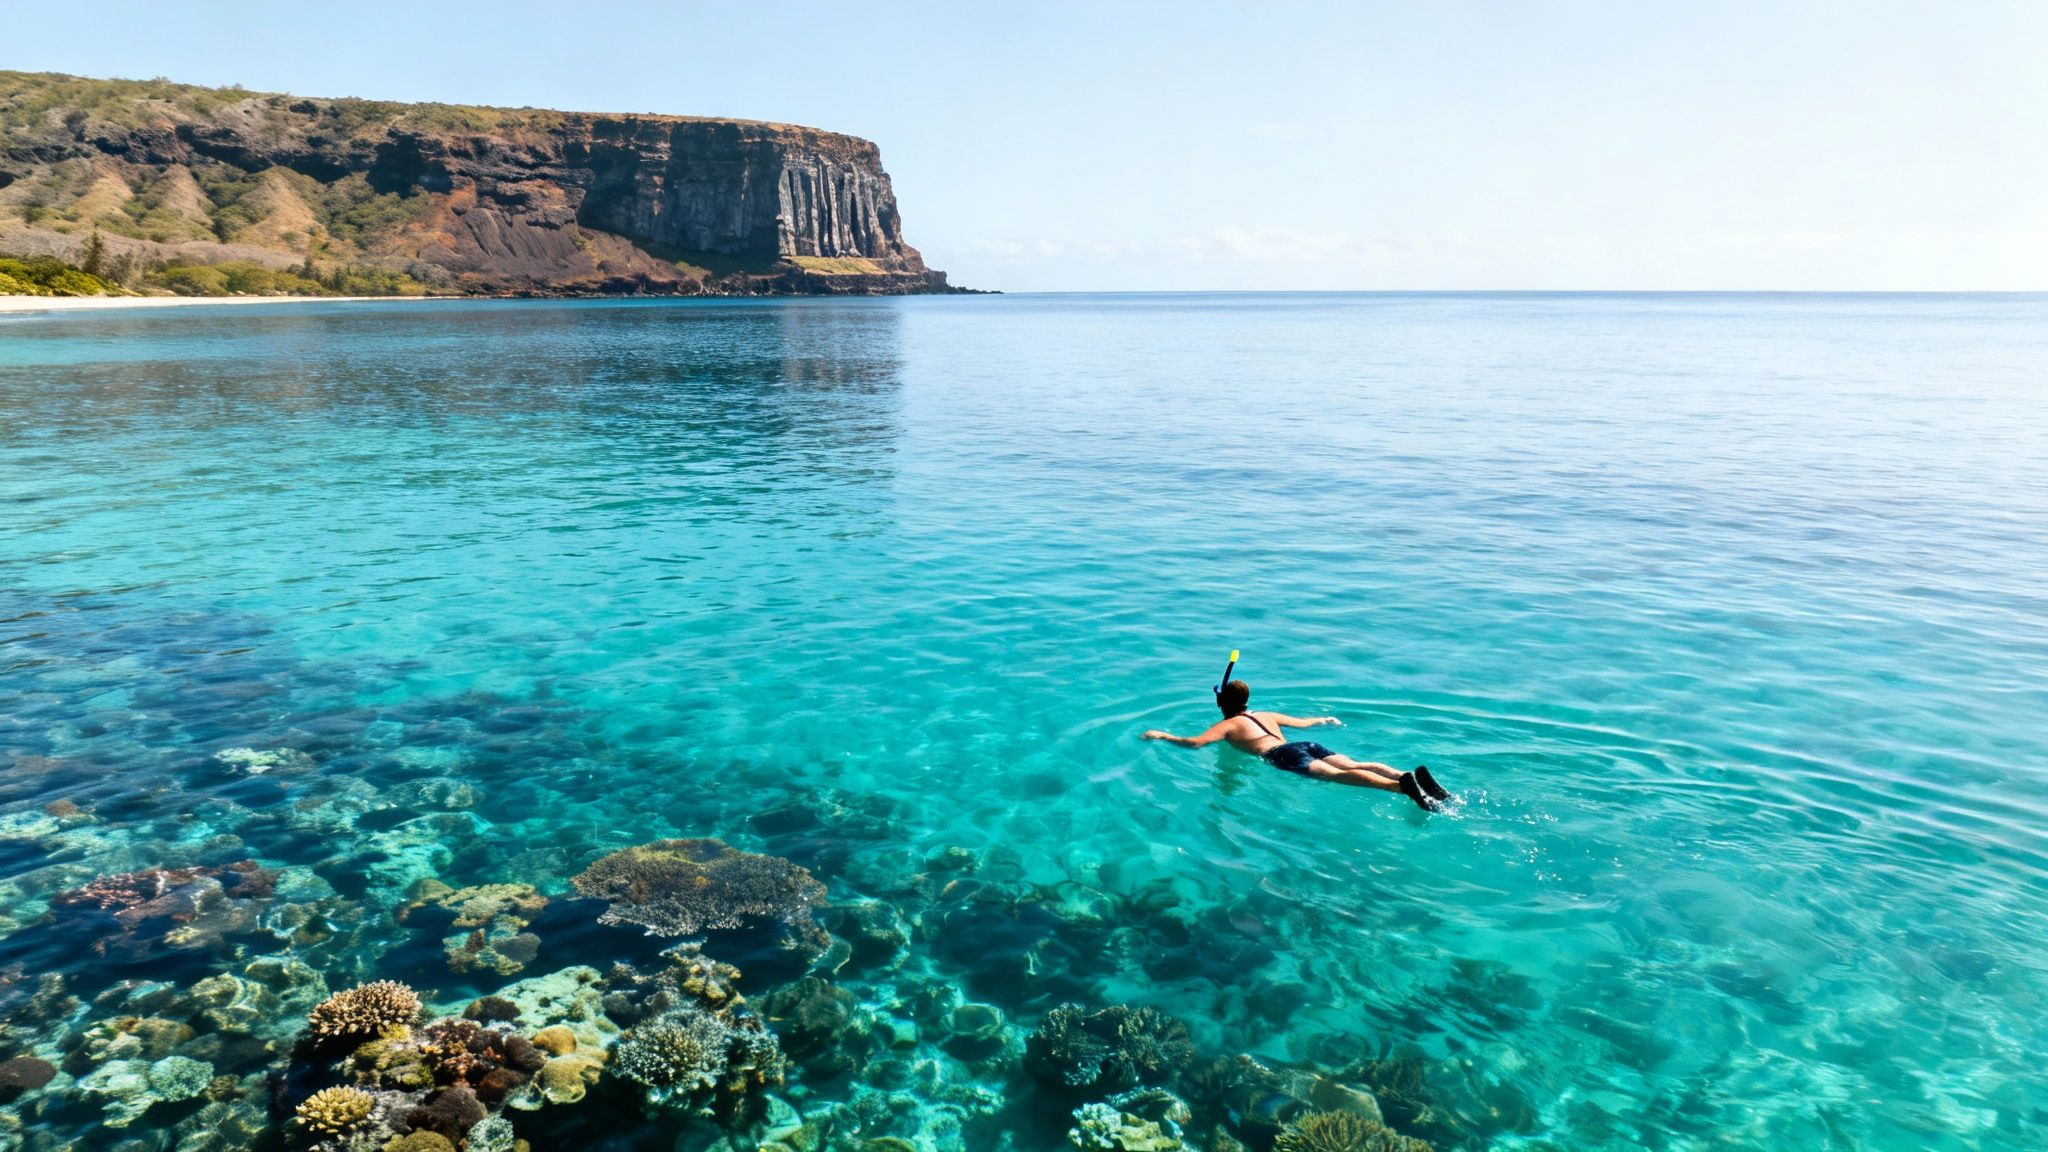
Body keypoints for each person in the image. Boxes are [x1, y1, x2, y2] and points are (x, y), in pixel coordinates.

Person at [1143, 679, 1451, 810]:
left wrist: (1163, 736)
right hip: (1306, 742)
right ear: (1246, 700)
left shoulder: (1228, 724)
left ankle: (1399, 787)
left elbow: (1195, 744)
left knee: (1333, 776)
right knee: (1354, 764)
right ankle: (1401, 774)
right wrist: (1324, 719)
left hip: (1281, 754)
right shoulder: (1264, 713)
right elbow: (1303, 722)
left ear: (1222, 702)